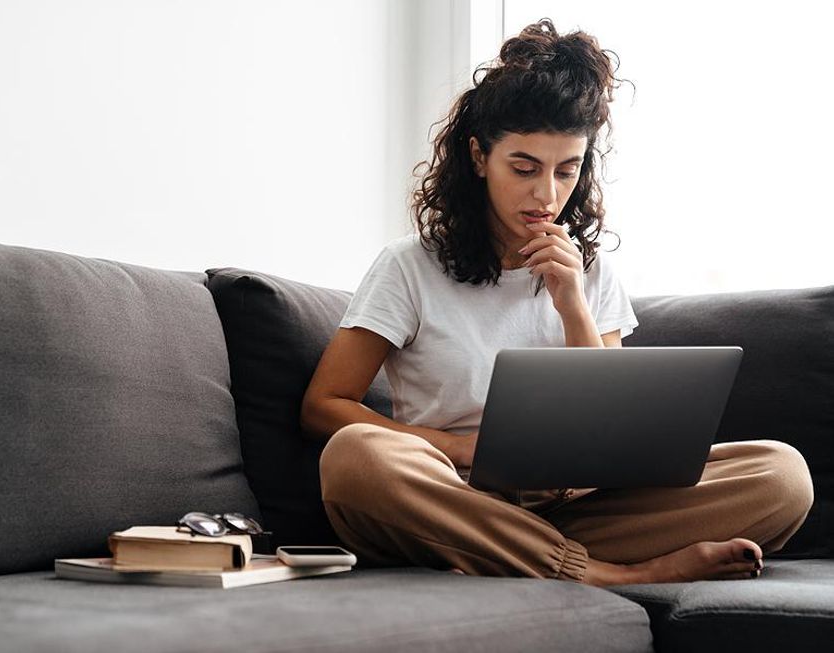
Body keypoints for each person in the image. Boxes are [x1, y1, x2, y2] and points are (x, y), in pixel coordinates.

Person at [299, 18, 814, 586]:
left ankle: (516, 557)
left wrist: (573, 302)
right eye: (524, 168)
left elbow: (617, 430)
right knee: (356, 458)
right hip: (453, 496)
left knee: (781, 474)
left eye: (566, 171)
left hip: (576, 508)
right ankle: (609, 574)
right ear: (478, 158)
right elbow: (325, 404)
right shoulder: (409, 265)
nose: (546, 194)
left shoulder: (591, 271)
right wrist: (456, 448)